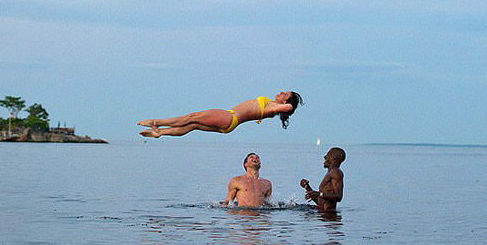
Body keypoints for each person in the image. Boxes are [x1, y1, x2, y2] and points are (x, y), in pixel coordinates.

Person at [138, 91, 303, 138]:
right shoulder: (273, 105)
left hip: (230, 117)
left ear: (285, 102)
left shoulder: (275, 108)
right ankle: (160, 132)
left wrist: (289, 104)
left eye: (284, 94)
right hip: (229, 122)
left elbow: (289, 107)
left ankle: (156, 122)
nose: (280, 92)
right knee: (193, 125)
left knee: (192, 117)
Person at [300, 147, 345, 212]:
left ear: (333, 158)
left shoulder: (336, 173)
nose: (324, 157)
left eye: (327, 156)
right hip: (323, 214)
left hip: (329, 217)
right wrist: (307, 187)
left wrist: (319, 194)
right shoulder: (330, 173)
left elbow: (338, 196)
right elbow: (320, 202)